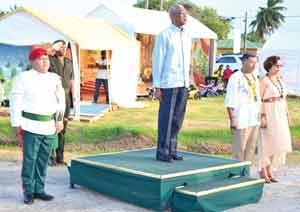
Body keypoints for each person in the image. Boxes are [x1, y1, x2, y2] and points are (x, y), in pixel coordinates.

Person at [9, 47, 65, 204]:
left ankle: (39, 189)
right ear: (33, 61)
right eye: (41, 59)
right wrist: (16, 123)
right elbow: (16, 101)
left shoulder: (54, 78)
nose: (45, 62)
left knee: (43, 160)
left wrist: (59, 120)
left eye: (47, 59)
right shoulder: (23, 77)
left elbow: (61, 101)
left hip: (49, 126)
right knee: (30, 160)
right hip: (30, 126)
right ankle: (28, 191)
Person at [152, 4, 191, 162]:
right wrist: (157, 86)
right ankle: (162, 151)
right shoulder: (164, 35)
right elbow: (158, 60)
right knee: (166, 118)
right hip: (168, 83)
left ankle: (172, 149)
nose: (186, 17)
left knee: (177, 119)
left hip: (183, 83)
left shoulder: (187, 35)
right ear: (173, 16)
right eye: (182, 14)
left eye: (186, 14)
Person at [258, 56, 292, 183]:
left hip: (280, 113)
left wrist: (287, 114)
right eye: (277, 66)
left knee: (277, 142)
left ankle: (270, 169)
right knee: (267, 142)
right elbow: (259, 100)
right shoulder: (264, 81)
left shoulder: (279, 80)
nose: (279, 68)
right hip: (269, 112)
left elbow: (283, 98)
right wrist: (262, 116)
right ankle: (263, 171)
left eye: (280, 66)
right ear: (270, 66)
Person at [224, 54, 260, 162]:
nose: (253, 65)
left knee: (251, 148)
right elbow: (230, 100)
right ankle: (236, 172)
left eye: (255, 62)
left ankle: (245, 172)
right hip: (241, 118)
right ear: (244, 62)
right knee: (239, 149)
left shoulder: (255, 77)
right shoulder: (236, 77)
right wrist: (233, 119)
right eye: (251, 62)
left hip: (253, 118)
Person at [48, 40, 74, 165]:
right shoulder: (49, 60)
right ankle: (50, 156)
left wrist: (74, 98)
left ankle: (60, 157)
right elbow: (45, 54)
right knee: (52, 127)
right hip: (53, 97)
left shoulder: (69, 62)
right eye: (60, 46)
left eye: (65, 47)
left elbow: (71, 81)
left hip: (66, 98)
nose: (63, 49)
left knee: (63, 128)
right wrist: (52, 48)